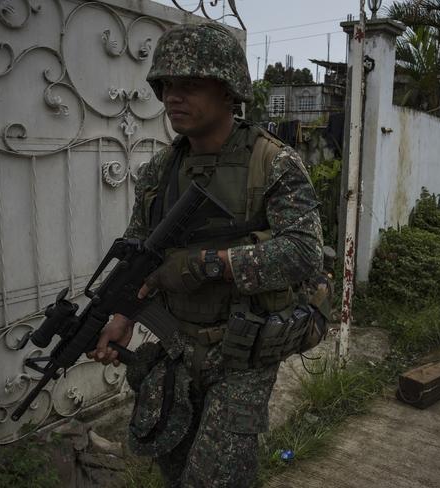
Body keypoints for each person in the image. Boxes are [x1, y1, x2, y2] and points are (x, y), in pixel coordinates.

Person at [88, 22, 323, 487]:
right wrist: (123, 314)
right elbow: (141, 253)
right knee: (172, 462)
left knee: (214, 479)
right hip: (176, 345)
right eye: (168, 85)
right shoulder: (160, 169)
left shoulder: (273, 161)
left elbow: (304, 253)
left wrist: (203, 265)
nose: (174, 96)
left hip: (244, 351)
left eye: (191, 84)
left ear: (229, 91)